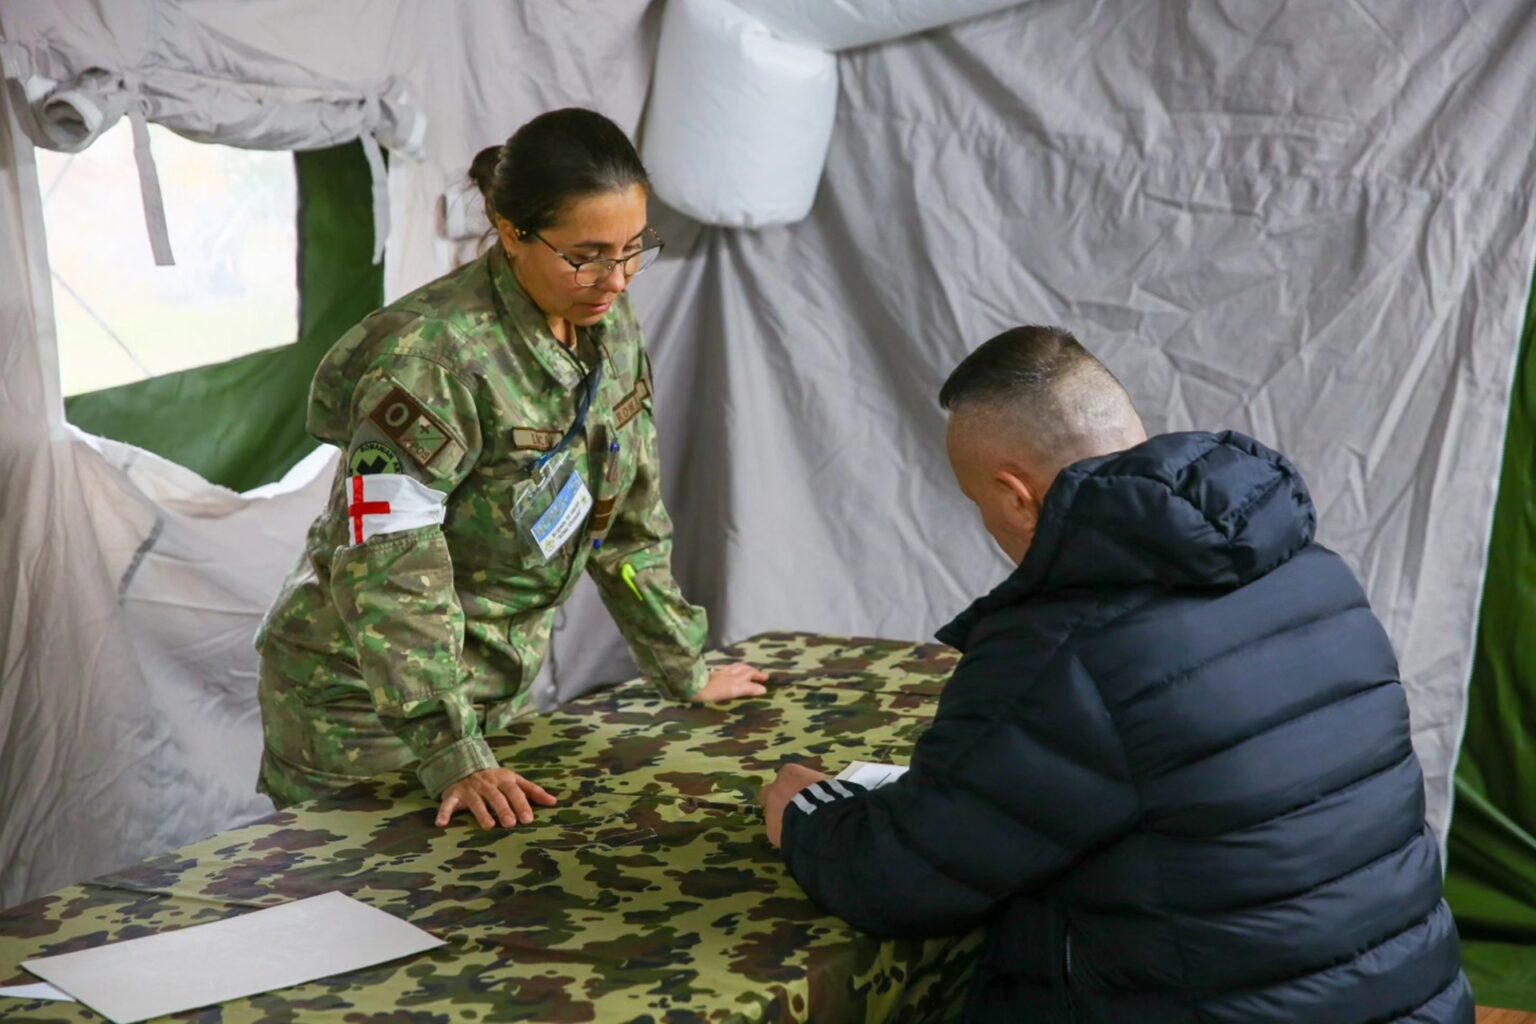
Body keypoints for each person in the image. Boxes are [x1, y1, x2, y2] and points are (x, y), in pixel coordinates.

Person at [760, 326, 1472, 1022]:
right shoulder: (1314, 572)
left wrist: (804, 814)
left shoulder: (1062, 647)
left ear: (1015, 494)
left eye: (980, 506)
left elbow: (901, 876)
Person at [257, 108, 767, 830]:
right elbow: (387, 564)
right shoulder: (428, 363)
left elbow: (625, 523)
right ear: (510, 232)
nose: (616, 279)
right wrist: (451, 746)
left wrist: (682, 663)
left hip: (489, 696)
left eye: (633, 249)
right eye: (586, 254)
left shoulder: (605, 325)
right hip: (366, 708)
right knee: (368, 914)